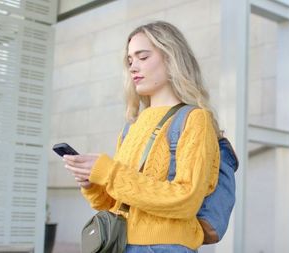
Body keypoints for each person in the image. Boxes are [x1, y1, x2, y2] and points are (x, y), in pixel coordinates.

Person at [63, 21, 221, 253]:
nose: (133, 67)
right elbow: (115, 203)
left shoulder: (195, 119)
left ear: (171, 57)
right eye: (130, 61)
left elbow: (186, 199)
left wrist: (109, 172)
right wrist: (92, 184)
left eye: (143, 57)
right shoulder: (132, 127)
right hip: (120, 243)